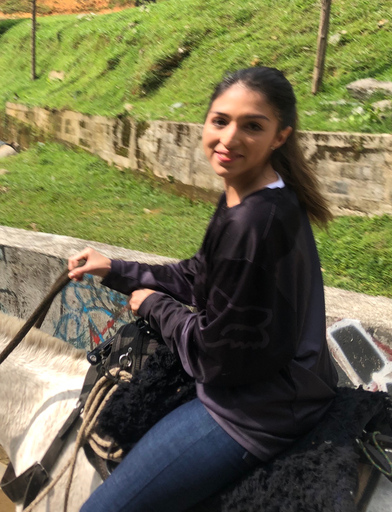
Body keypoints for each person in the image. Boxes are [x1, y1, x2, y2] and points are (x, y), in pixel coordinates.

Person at [68, 67, 338, 512]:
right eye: (220, 121)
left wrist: (155, 307)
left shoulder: (253, 222)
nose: (229, 139)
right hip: (287, 384)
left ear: (280, 136)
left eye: (252, 126)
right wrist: (115, 269)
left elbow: (219, 356)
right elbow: (201, 274)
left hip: (252, 412)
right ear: (205, 124)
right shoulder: (251, 192)